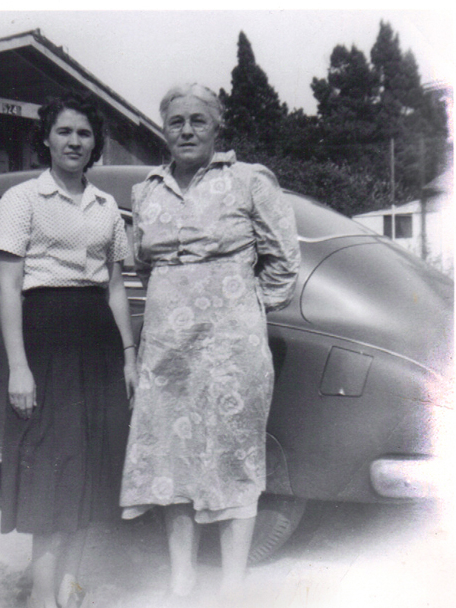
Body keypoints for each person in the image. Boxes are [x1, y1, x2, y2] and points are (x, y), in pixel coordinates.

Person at [120, 83, 300, 604]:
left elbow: (284, 263)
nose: (187, 130)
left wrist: (240, 312)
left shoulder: (249, 181)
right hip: (166, 350)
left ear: (218, 127)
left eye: (198, 120)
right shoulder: (146, 190)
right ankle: (181, 578)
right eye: (176, 121)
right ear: (163, 129)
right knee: (169, 459)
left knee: (233, 457)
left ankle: (233, 583)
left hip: (232, 348)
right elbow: (143, 261)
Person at [0, 91, 137, 608]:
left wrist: (128, 355)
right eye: (65, 131)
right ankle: (40, 599)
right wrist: (18, 369)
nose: (75, 141)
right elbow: (9, 288)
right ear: (46, 139)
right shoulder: (21, 201)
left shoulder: (107, 210)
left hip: (97, 342)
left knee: (91, 471)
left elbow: (116, 288)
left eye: (84, 133)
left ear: (95, 143)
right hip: (44, 341)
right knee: (51, 475)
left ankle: (70, 592)